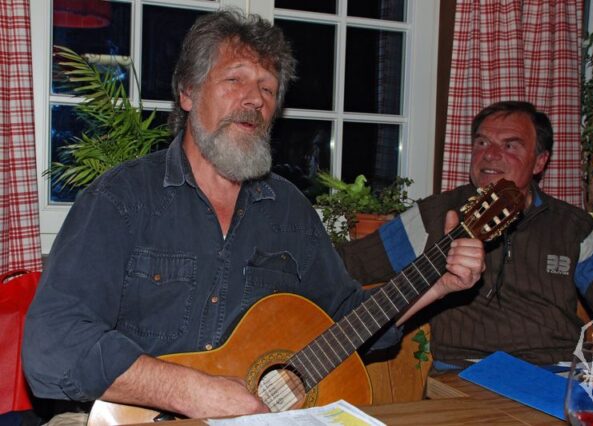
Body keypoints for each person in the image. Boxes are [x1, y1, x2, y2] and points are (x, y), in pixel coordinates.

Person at [22, 9, 485, 420]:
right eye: (235, 80)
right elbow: (53, 344)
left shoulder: (290, 210)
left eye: (267, 88)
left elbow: (349, 319)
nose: (255, 99)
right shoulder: (121, 200)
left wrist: (437, 283)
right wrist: (196, 393)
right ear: (188, 93)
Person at [338, 101, 593, 366]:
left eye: (510, 146)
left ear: (540, 161)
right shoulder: (437, 214)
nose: (490, 154)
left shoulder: (574, 226)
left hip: (558, 370)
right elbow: (349, 264)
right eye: (482, 142)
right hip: (465, 372)